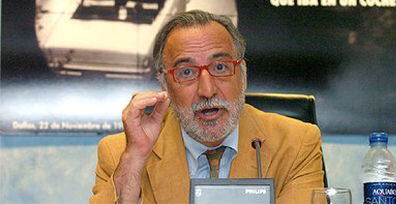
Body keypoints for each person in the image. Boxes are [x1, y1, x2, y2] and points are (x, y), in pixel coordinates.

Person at [90, 10, 324, 203]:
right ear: (165, 84)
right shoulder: (120, 153)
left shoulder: (297, 143)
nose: (207, 90)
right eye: (187, 72)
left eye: (220, 67)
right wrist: (135, 158)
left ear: (242, 75)